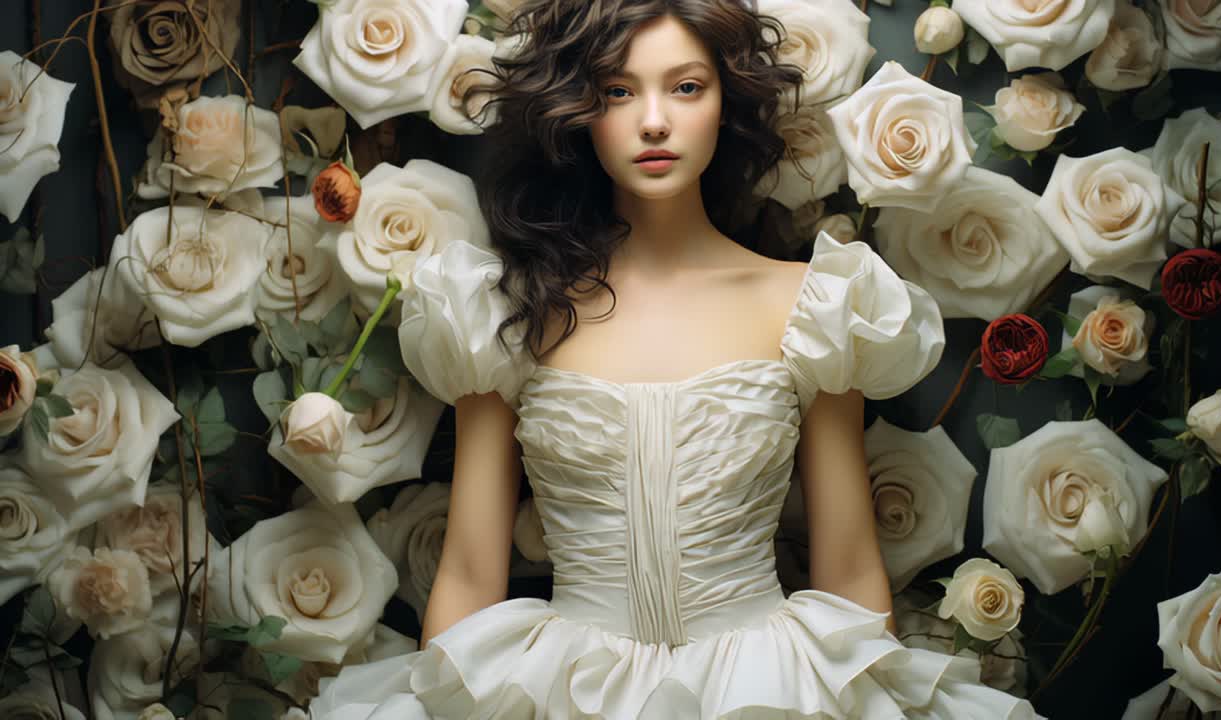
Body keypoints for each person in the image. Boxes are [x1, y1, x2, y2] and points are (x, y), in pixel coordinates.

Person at [311, 1, 1043, 717]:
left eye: (686, 86)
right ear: (579, 112)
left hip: (767, 690)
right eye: (618, 91)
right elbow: (471, 573)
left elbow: (849, 566)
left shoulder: (814, 304)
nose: (654, 120)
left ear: (725, 102)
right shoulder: (509, 314)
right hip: (564, 689)